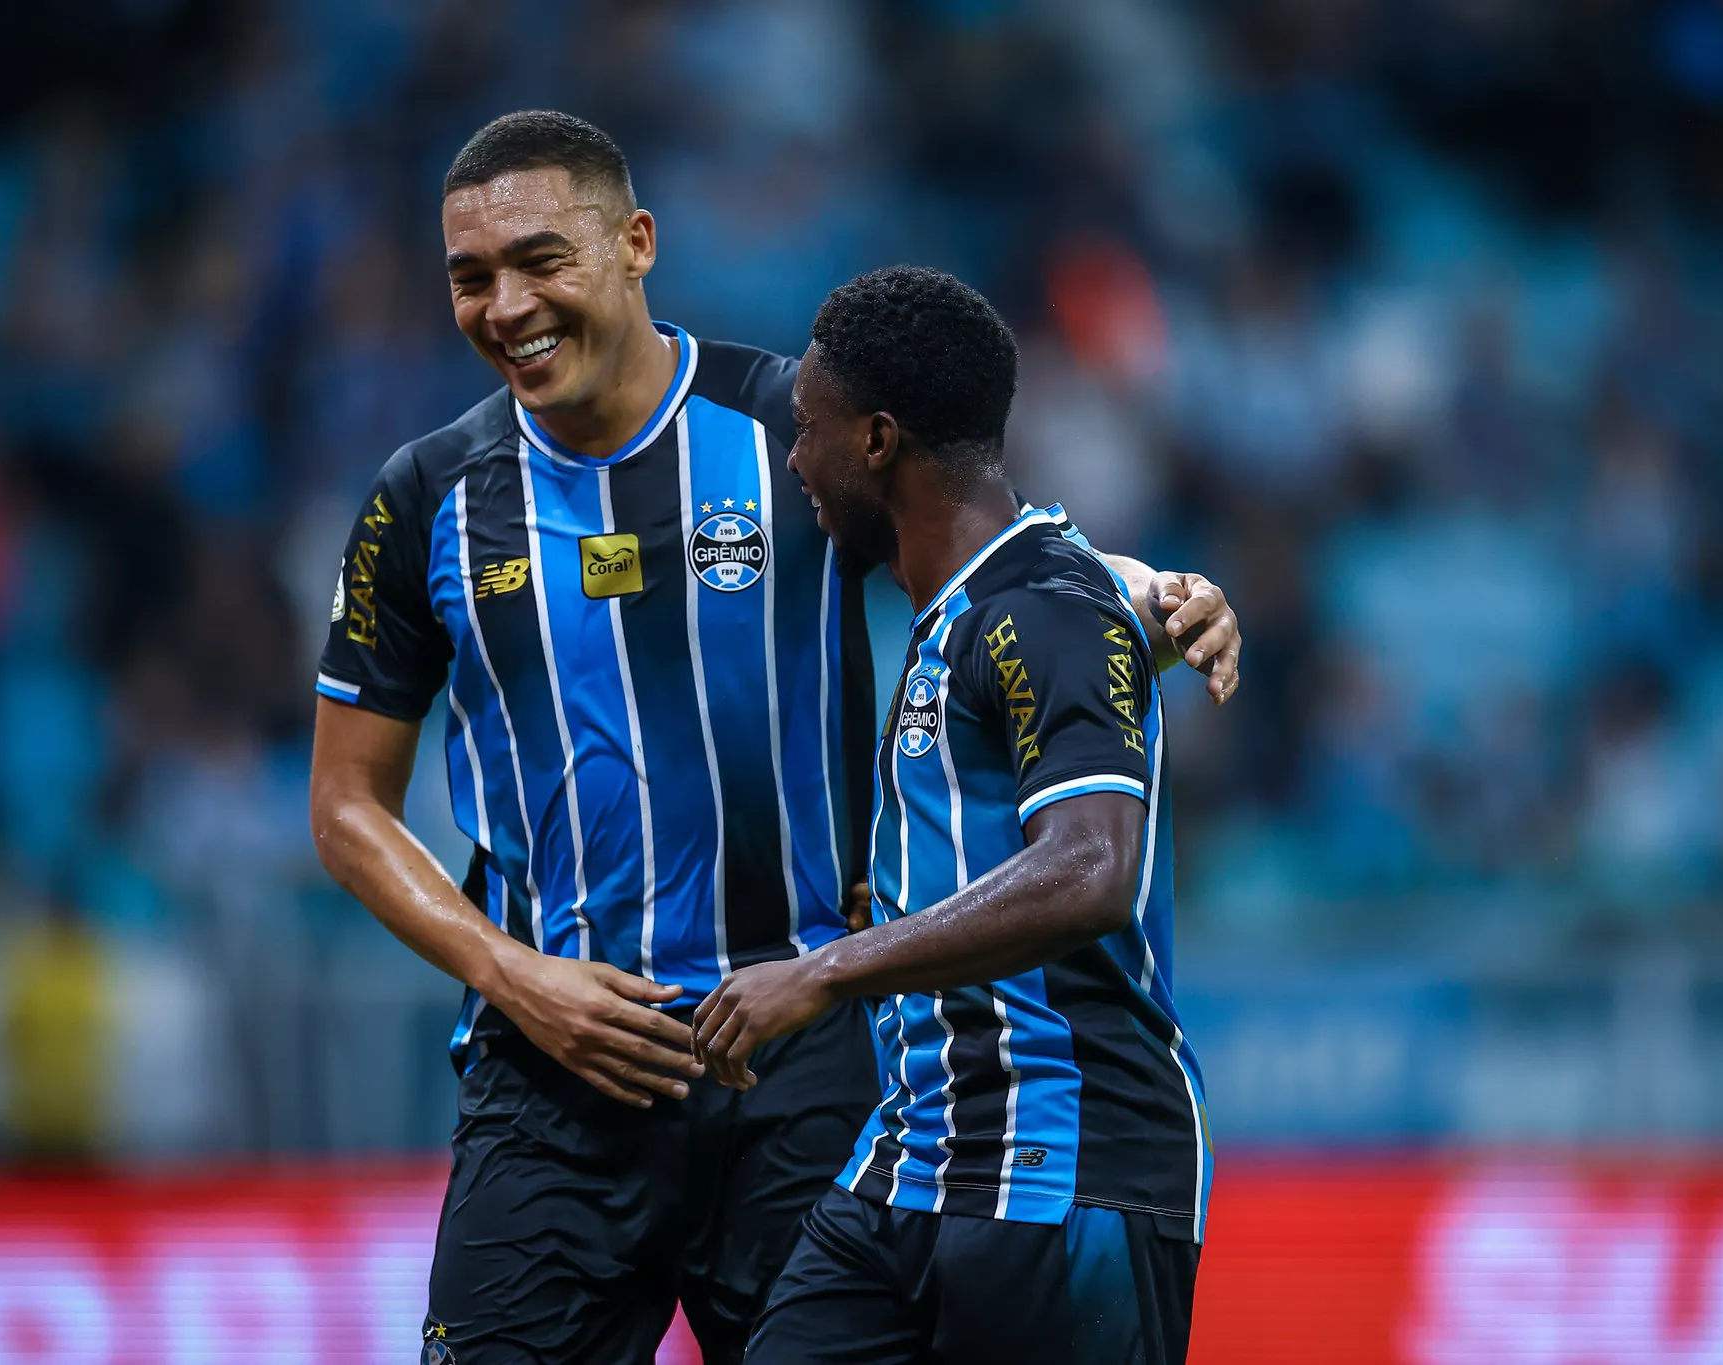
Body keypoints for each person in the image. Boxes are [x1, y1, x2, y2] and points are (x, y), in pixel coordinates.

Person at [308, 111, 1233, 1365]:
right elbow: (347, 806)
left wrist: (1146, 586)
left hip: (799, 1059)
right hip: (552, 1071)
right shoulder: (423, 499)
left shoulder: (789, 429)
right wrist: (510, 974)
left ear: (635, 244)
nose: (505, 305)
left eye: (542, 260)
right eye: (471, 278)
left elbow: (983, 544)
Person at [694, 266, 1208, 1365]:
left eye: (806, 431)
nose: (793, 463)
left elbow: (1090, 871)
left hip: (1069, 1172)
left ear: (877, 440)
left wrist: (825, 971)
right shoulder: (966, 615)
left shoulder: (1042, 610)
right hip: (912, 1164)